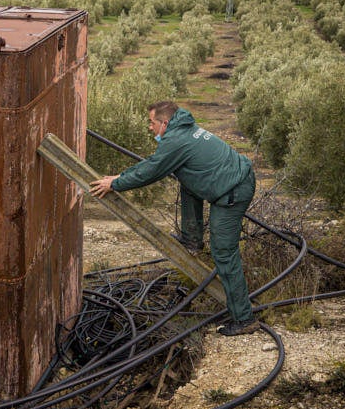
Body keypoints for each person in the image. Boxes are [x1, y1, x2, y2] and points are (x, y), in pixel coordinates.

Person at [90, 101, 260, 336]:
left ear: (165, 123)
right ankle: (192, 239)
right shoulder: (184, 130)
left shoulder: (176, 140)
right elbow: (153, 163)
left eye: (152, 123)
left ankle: (244, 318)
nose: (149, 127)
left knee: (224, 252)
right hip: (231, 180)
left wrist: (116, 183)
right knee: (186, 179)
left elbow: (151, 171)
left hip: (233, 191)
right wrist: (121, 175)